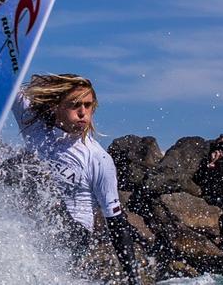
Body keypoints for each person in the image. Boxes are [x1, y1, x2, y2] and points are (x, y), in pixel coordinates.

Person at [11, 73, 142, 285]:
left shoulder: (97, 159)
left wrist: (133, 280)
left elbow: (117, 223)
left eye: (88, 106)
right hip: (39, 229)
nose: (82, 112)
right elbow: (10, 87)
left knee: (33, 170)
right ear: (56, 106)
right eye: (75, 105)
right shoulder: (33, 125)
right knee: (25, 166)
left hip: (74, 238)